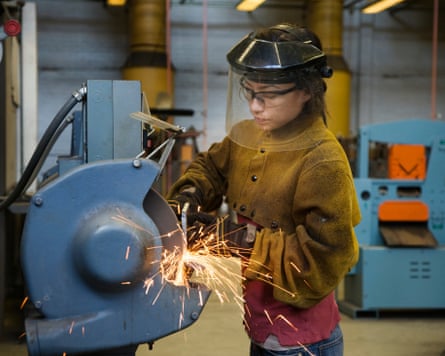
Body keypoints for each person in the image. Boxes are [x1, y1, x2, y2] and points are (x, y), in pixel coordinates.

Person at [167, 23, 361, 356]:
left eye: (268, 95)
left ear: (306, 91)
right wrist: (189, 196)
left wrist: (234, 239)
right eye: (249, 91)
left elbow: (322, 262)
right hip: (261, 329)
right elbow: (211, 168)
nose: (256, 105)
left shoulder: (322, 160)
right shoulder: (249, 135)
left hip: (304, 343)